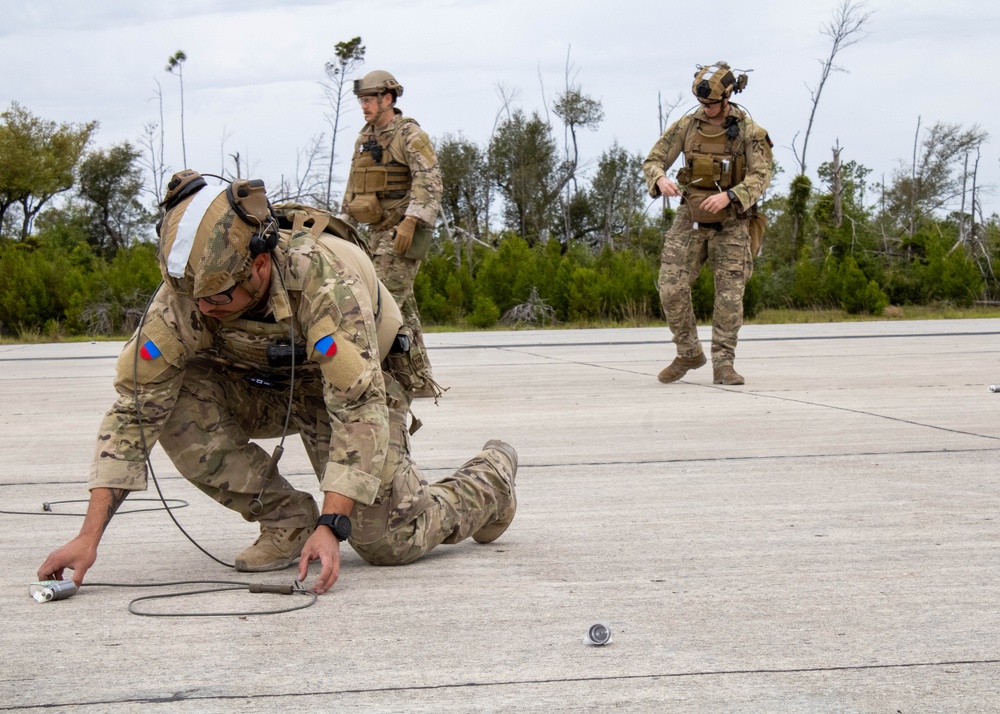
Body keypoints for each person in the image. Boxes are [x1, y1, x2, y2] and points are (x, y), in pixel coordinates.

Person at [36, 170, 517, 595]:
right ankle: (286, 517)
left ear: (260, 265)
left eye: (218, 298)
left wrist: (334, 523)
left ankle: (491, 476)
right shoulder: (190, 292)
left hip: (352, 391)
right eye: (193, 297)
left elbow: (358, 406)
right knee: (174, 399)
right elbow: (135, 409)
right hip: (263, 388)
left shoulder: (323, 281)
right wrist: (87, 537)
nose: (203, 309)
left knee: (387, 541)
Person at [642, 61, 773, 386]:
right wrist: (659, 179)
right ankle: (688, 352)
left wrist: (731, 196)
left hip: (733, 220)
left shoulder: (750, 132)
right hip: (691, 216)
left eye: (712, 103)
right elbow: (654, 159)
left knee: (728, 294)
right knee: (671, 287)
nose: (707, 109)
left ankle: (724, 364)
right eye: (703, 103)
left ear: (728, 97)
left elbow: (762, 174)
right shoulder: (688, 124)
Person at [340, 69, 441, 398]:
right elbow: (354, 186)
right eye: (361, 101)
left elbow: (430, 182)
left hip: (403, 233)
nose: (364, 106)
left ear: (388, 99)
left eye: (369, 100)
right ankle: (420, 379)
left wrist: (411, 222)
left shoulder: (410, 135)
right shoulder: (365, 138)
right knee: (403, 309)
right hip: (375, 234)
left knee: (378, 308)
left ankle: (366, 380)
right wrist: (341, 228)